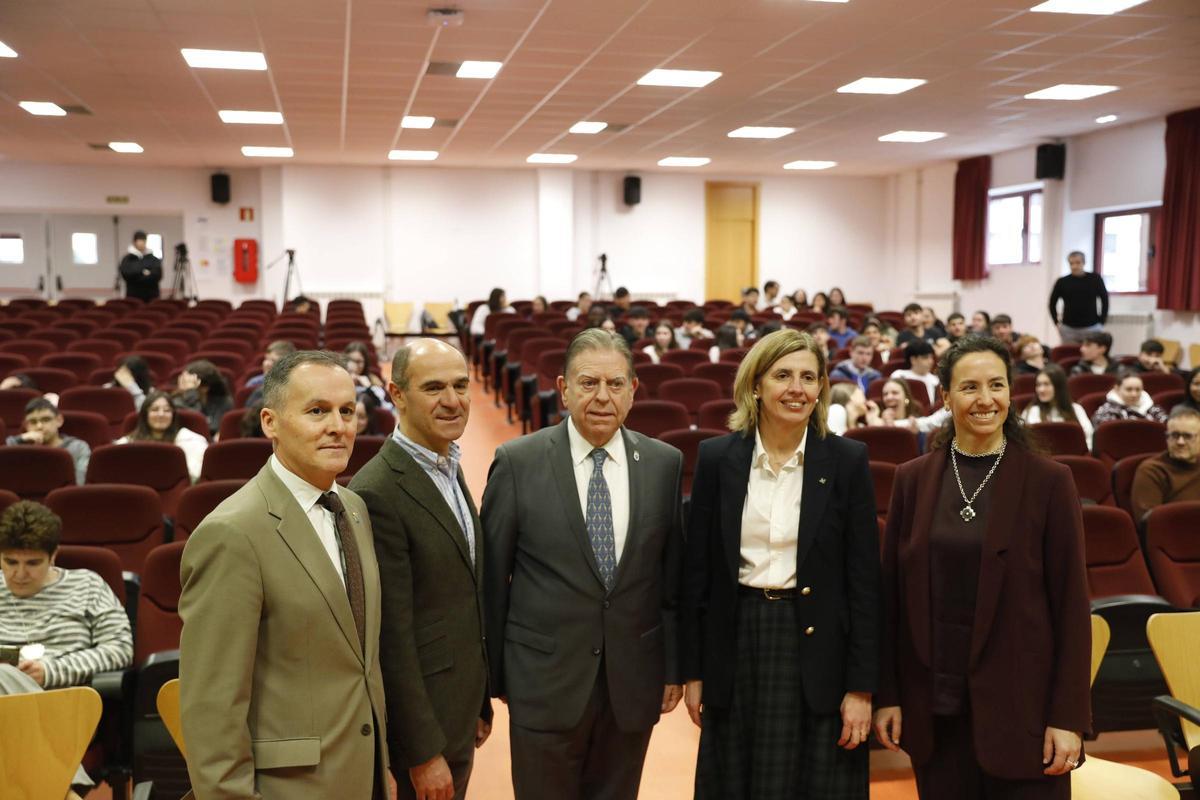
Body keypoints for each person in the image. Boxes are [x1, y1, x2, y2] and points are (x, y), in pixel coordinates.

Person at [874, 335, 1091, 798]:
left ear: (1012, 394)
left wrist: (1068, 717)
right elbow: (891, 602)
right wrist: (888, 695)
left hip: (1025, 713)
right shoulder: (912, 479)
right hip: (936, 711)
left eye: (997, 385)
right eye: (970, 387)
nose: (985, 399)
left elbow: (1072, 606)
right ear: (946, 397)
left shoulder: (1050, 481)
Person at [481, 328, 684, 800]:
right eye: (588, 383)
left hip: (631, 684)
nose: (601, 396)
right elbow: (491, 582)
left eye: (615, 384)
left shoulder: (663, 464)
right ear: (563, 388)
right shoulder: (517, 462)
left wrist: (672, 666)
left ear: (633, 391)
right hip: (543, 683)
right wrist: (496, 678)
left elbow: (671, 580)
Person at [179, 350, 389, 799]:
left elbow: (357, 663)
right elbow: (212, 707)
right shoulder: (231, 532)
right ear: (270, 423)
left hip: (361, 777)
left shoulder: (353, 508)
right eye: (317, 411)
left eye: (347, 411)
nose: (338, 426)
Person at [681, 328, 879, 799]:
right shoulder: (716, 458)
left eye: (809, 377)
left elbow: (865, 582)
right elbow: (698, 575)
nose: (797, 388)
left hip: (820, 650)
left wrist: (862, 688)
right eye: (783, 375)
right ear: (756, 385)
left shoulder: (848, 460)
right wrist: (693, 670)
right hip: (739, 641)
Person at [350, 340, 492, 800]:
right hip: (423, 730)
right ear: (397, 394)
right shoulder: (379, 489)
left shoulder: (447, 463)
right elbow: (391, 636)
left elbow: (458, 593)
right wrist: (422, 752)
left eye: (460, 385)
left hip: (456, 706)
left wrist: (478, 698)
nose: (452, 400)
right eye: (434, 388)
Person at [0, 500, 133, 798]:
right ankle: (66, 788)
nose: (19, 574)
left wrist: (51, 671)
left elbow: (120, 648)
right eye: (9, 562)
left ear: (53, 556)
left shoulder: (87, 586)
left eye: (32, 563)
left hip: (67, 706)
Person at [116, 390, 208, 482]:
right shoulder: (127, 443)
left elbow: (195, 476)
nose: (161, 414)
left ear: (173, 415)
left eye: (167, 410)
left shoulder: (190, 441)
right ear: (145, 415)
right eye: (155, 409)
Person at [1131, 406, 1200, 522]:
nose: (1180, 442)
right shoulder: (1152, 470)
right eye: (1174, 435)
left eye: (1188, 436)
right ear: (1167, 438)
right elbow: (1150, 525)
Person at [5, 397, 90, 484]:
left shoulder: (78, 447)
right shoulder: (18, 446)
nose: (39, 426)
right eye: (33, 422)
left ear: (59, 420)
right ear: (26, 425)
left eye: (46, 420)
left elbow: (80, 482)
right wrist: (20, 439)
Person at [1021, 364, 1095, 451]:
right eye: (1038, 385)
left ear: (1059, 386)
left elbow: (1089, 441)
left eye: (1046, 384)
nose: (1041, 390)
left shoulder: (1076, 409)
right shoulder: (1031, 412)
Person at [1049, 251, 1108, 345]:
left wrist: (1102, 321)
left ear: (1083, 263)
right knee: (1070, 356)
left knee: (1091, 355)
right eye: (1071, 263)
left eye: (1077, 263)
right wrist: (1057, 323)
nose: (1074, 266)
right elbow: (1052, 303)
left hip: (1092, 327)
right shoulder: (1062, 282)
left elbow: (1105, 299)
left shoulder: (1095, 279)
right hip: (1069, 329)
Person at [173, 358, 233, 437]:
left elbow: (212, 429)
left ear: (205, 388)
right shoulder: (176, 402)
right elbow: (196, 426)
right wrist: (191, 392)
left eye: (190, 383)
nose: (183, 387)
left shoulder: (224, 402)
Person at [1092, 371, 1169, 427]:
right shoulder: (1106, 411)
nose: (1134, 394)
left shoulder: (1152, 407)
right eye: (1129, 389)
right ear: (1117, 389)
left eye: (1138, 390)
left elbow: (1167, 425)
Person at [890, 339, 940, 406]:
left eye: (931, 357)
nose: (930, 361)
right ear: (913, 360)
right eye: (925, 358)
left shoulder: (935, 380)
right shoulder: (899, 375)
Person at [118, 230, 162, 302]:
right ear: (135, 242)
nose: (141, 243)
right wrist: (145, 272)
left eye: (143, 241)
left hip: (151, 296)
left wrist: (138, 273)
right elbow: (127, 274)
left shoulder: (153, 259)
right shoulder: (127, 259)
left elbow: (157, 275)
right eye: (139, 241)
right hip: (133, 296)